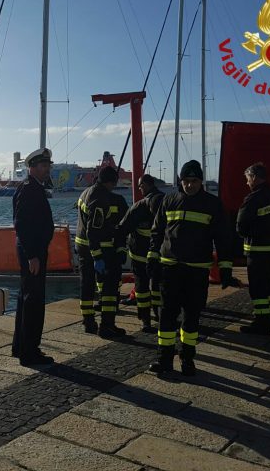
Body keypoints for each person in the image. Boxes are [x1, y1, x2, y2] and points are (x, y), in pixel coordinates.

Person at [147, 160, 238, 376]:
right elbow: (157, 232)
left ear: (201, 181)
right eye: (186, 181)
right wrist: (152, 257)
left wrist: (225, 268)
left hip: (197, 271)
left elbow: (223, 238)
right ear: (181, 182)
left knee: (191, 316)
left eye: (194, 181)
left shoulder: (212, 204)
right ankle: (165, 360)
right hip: (170, 269)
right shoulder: (169, 200)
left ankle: (188, 360)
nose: (190, 185)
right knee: (166, 316)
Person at [11, 147, 55, 366]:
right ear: (32, 167)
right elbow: (21, 224)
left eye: (48, 165)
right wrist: (32, 256)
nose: (47, 169)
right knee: (33, 301)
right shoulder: (30, 189)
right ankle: (30, 351)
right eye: (43, 166)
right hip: (33, 253)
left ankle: (22, 347)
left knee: (26, 297)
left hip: (34, 251)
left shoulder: (33, 187)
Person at [75, 166, 129, 338]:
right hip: (99, 248)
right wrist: (98, 256)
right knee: (110, 288)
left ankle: (88, 321)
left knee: (87, 284)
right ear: (111, 182)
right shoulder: (101, 199)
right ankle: (107, 326)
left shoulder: (85, 193)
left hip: (82, 246)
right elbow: (94, 231)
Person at [237, 162, 270, 334]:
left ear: (255, 178)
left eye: (248, 179)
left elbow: (241, 225)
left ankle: (261, 322)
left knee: (258, 289)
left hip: (256, 251)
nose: (247, 183)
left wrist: (250, 234)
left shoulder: (253, 199)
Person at [117, 174, 164, 332]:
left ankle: (145, 320)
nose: (139, 189)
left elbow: (122, 229)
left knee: (142, 288)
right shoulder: (168, 202)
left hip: (140, 256)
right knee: (158, 286)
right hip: (160, 256)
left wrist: (120, 249)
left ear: (146, 185)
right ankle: (160, 315)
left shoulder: (138, 207)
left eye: (140, 186)